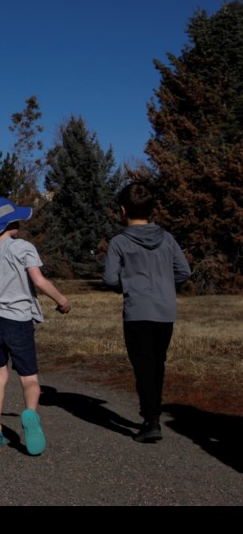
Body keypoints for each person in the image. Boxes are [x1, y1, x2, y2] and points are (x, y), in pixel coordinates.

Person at [0, 197, 70, 455]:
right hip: (17, 321)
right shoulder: (23, 247)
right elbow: (38, 280)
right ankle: (30, 413)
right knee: (28, 378)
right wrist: (62, 301)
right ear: (10, 223)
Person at [103, 182, 191, 443]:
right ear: (152, 210)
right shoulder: (168, 239)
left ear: (122, 209)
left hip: (137, 311)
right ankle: (153, 413)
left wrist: (127, 284)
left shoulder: (119, 242)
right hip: (165, 311)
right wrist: (165, 283)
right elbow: (184, 271)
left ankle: (151, 419)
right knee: (157, 363)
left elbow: (109, 279)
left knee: (143, 366)